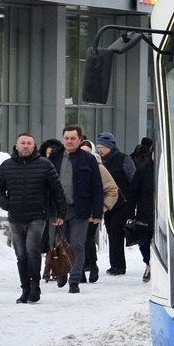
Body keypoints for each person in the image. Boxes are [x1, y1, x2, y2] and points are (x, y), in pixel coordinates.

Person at [0, 134, 67, 304]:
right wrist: (7, 204)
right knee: (21, 254)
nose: (26, 146)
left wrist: (61, 213)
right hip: (16, 216)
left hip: (37, 216)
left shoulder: (45, 165)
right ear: (16, 146)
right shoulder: (6, 166)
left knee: (32, 250)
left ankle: (35, 286)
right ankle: (25, 289)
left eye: (29, 143)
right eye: (23, 143)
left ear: (34, 146)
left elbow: (57, 190)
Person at [48, 125, 104, 293]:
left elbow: (97, 187)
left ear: (80, 140)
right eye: (67, 138)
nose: (69, 141)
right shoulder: (54, 157)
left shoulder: (88, 159)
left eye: (73, 138)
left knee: (77, 245)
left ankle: (74, 280)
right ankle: (61, 273)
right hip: (57, 209)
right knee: (58, 244)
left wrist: (97, 212)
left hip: (80, 209)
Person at [96, 132, 136, 276]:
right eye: (98, 147)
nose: (100, 150)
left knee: (116, 231)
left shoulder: (123, 159)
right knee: (111, 232)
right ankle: (115, 264)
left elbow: (133, 179)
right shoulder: (100, 162)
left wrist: (133, 200)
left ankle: (119, 265)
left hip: (122, 203)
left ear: (110, 146)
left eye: (103, 147)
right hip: (108, 203)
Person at [81, 138, 119, 283]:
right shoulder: (71, 165)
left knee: (88, 239)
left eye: (87, 152)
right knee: (78, 241)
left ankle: (92, 264)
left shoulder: (98, 167)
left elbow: (112, 189)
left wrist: (104, 206)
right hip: (75, 211)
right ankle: (81, 268)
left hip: (92, 212)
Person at [130, 144, 156, 282]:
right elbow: (133, 192)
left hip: (165, 215)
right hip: (145, 212)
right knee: (144, 242)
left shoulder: (173, 170)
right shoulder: (142, 171)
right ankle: (149, 263)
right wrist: (130, 214)